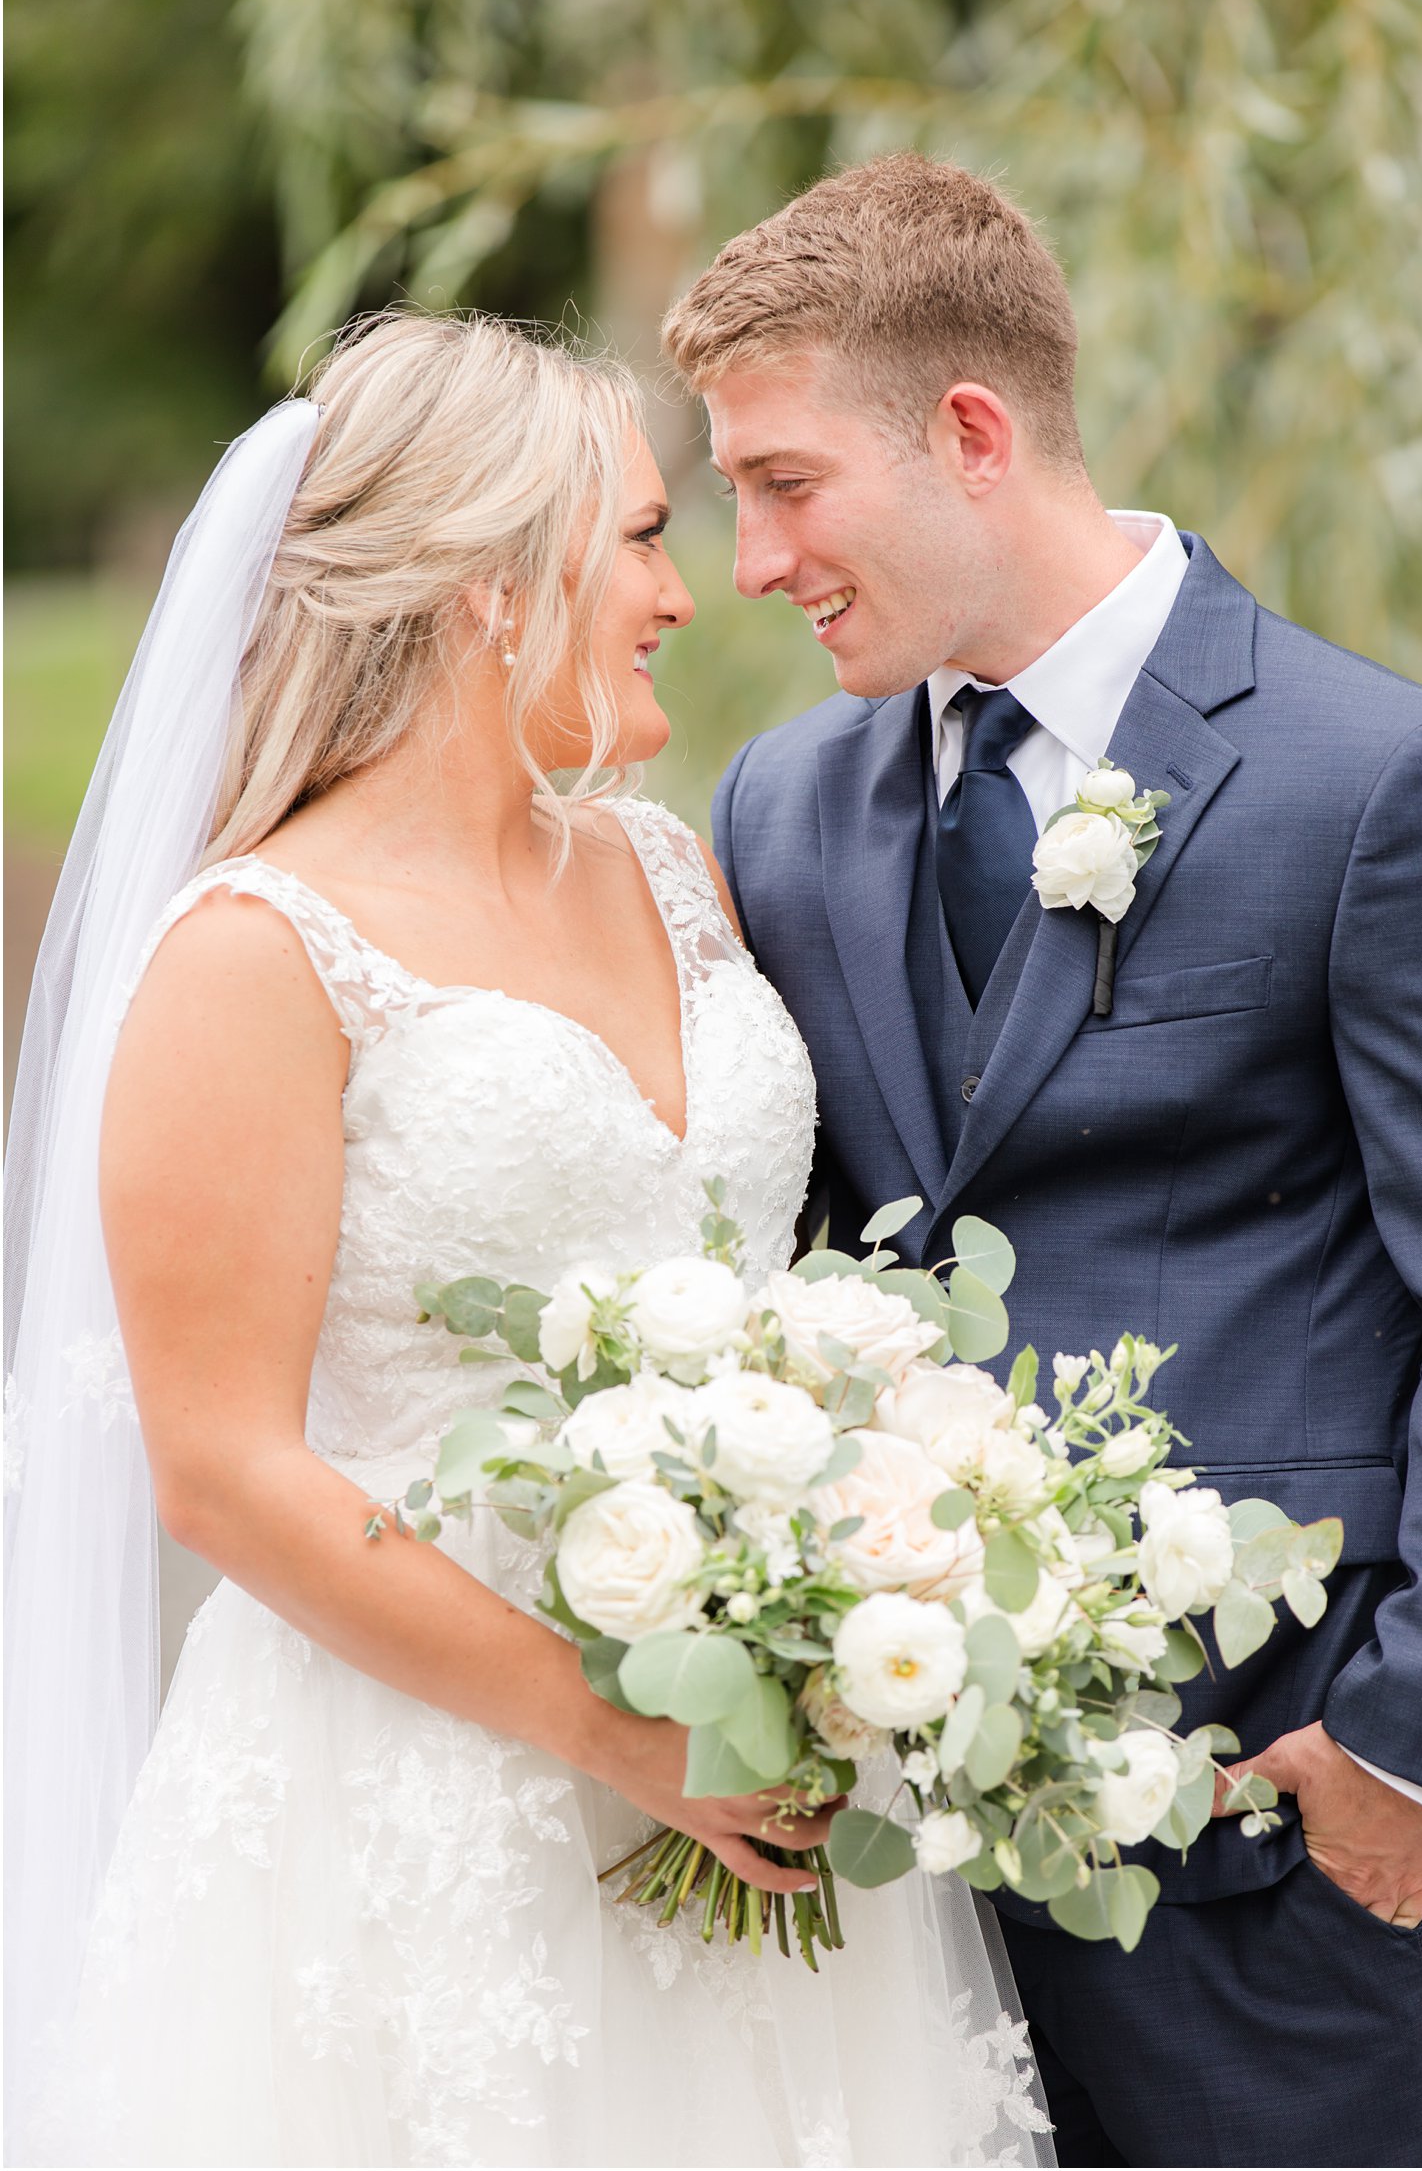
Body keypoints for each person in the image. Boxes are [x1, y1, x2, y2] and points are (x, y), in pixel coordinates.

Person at [6, 311, 1052, 2168]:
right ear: (492, 581)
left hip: (759, 1757)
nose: (687, 589)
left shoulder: (665, 868)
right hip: (418, 1808)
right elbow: (224, 1471)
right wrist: (632, 1737)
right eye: (644, 536)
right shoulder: (253, 954)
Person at [664, 154, 1422, 2169]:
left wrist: (1416, 1743)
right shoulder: (780, 801)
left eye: (785, 482)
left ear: (969, 434)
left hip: (1271, 1848)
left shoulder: (1378, 782)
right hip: (884, 1892)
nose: (752, 556)